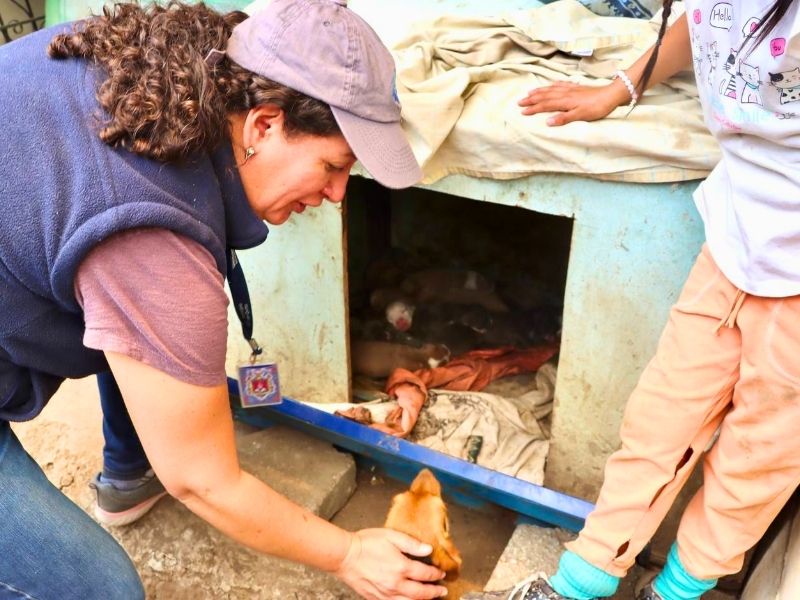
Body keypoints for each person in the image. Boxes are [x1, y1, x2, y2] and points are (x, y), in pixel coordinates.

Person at [0, 1, 451, 598]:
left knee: (149, 332)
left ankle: (131, 472)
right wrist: (347, 552)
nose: (339, 194)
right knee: (103, 591)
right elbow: (202, 479)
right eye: (333, 166)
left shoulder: (162, 66)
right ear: (264, 125)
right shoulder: (150, 234)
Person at [465, 1, 800, 599]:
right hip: (734, 235)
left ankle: (676, 592)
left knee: (757, 457)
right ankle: (582, 581)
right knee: (659, 418)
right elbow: (708, 20)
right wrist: (620, 87)